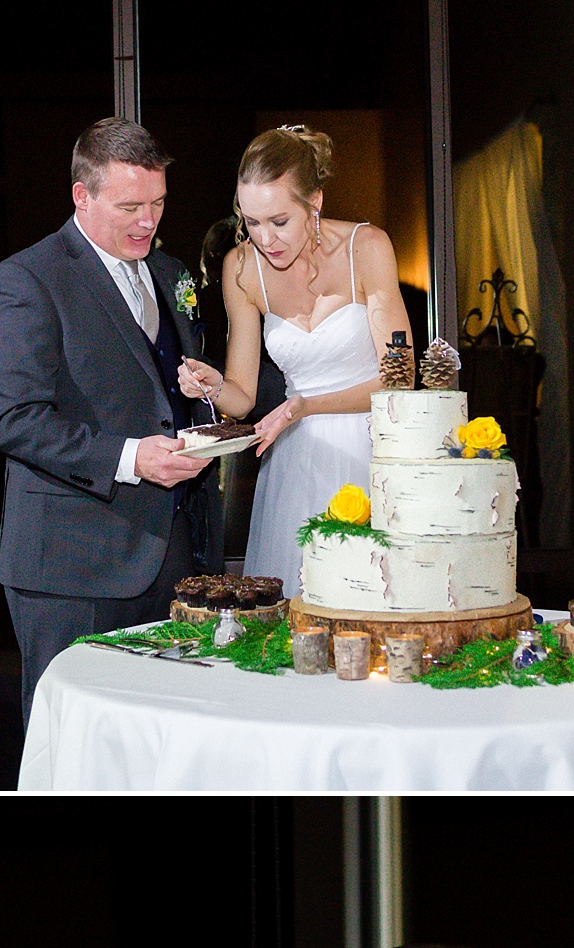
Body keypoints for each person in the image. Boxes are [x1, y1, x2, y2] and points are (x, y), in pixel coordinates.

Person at [0, 117, 226, 725]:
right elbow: (12, 419)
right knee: (78, 745)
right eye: (131, 206)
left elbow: (164, 391)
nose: (150, 221)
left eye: (160, 203)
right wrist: (129, 457)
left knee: (164, 742)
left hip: (176, 555)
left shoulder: (172, 277)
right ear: (81, 197)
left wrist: (204, 399)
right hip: (73, 568)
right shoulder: (26, 279)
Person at [184, 128, 408, 597]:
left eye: (279, 220)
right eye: (252, 222)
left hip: (373, 450)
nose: (266, 239)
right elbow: (242, 396)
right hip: (295, 462)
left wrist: (307, 405)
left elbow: (400, 375)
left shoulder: (367, 248)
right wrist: (210, 384)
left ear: (316, 203)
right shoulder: (241, 268)